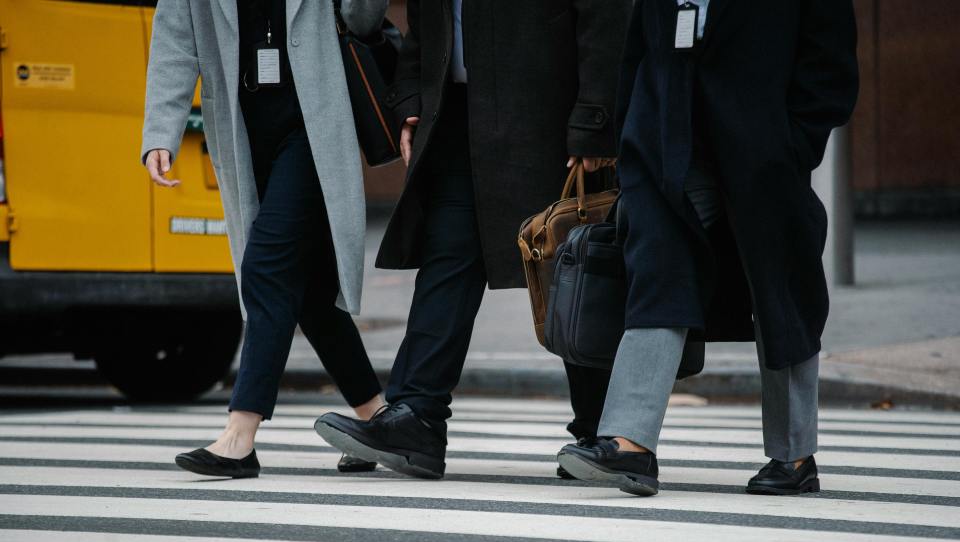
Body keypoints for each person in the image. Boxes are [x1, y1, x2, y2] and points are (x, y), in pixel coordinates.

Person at [315, 0, 633, 479]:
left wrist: (595, 118)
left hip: (549, 120)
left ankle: (602, 429)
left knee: (572, 268)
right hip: (456, 119)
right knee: (447, 262)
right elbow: (424, 23)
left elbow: (604, 19)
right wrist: (410, 99)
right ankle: (417, 416)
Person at [556, 0, 860, 496]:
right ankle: (631, 441)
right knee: (657, 269)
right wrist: (633, 134)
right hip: (666, 148)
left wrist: (792, 144)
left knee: (781, 294)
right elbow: (639, 48)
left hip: (762, 154)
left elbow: (831, 65)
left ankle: (794, 456)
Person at [141, 0, 389, 479]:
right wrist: (161, 132)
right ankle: (377, 418)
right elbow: (175, 36)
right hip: (243, 125)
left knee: (267, 267)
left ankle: (240, 433)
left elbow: (363, 18)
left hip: (312, 123)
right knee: (313, 295)